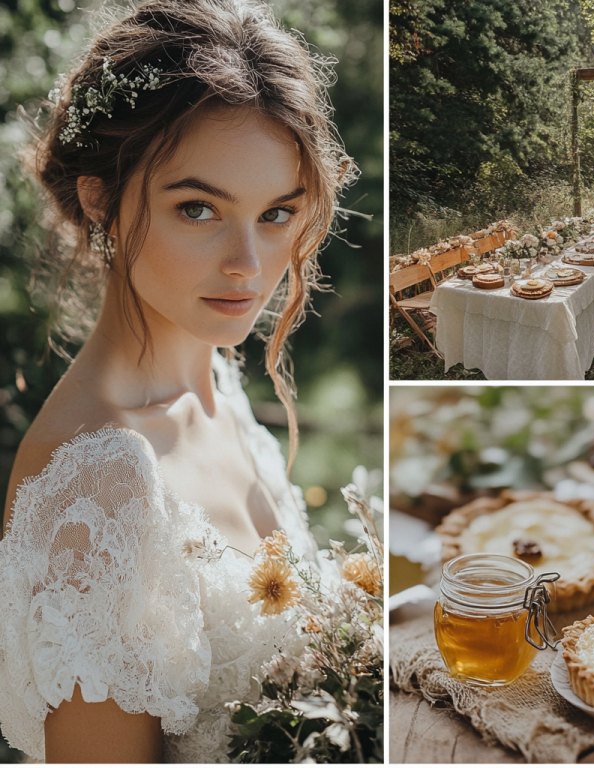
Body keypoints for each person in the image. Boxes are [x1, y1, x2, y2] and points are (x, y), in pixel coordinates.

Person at [0, 0, 358, 761]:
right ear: (102, 200)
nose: (250, 266)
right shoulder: (100, 480)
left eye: (277, 213)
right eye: (199, 209)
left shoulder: (216, 383)